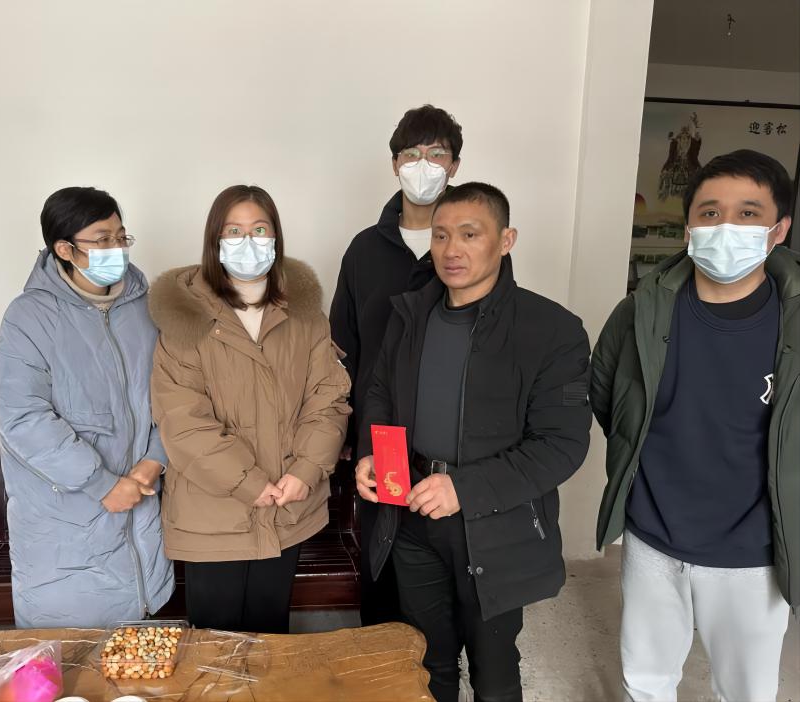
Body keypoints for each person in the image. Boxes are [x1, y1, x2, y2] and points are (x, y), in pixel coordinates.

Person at [355, 182, 592, 702]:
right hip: (412, 515)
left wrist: (463, 489)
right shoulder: (410, 315)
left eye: (469, 234)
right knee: (426, 660)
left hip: (495, 525)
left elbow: (562, 444)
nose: (451, 249)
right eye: (440, 235)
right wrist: (373, 452)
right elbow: (379, 392)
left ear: (506, 240)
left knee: (494, 668)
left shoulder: (551, 330)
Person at [592, 149, 798, 702]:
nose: (725, 226)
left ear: (779, 229)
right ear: (689, 228)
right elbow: (609, 397)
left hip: (753, 551)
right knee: (646, 679)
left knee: (746, 691)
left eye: (748, 213)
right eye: (710, 213)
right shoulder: (640, 312)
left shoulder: (793, 324)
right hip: (653, 537)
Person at [149, 184, 351, 634]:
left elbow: (328, 397)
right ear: (215, 241)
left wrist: (305, 470)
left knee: (270, 643)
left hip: (287, 506)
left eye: (259, 230)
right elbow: (182, 419)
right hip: (213, 514)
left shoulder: (306, 317)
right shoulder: (186, 319)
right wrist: (247, 482)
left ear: (276, 237)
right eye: (234, 231)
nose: (248, 242)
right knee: (214, 651)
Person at [0, 186, 174, 628]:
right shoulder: (29, 317)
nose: (117, 248)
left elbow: (171, 393)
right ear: (64, 249)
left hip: (141, 508)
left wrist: (155, 459)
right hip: (66, 523)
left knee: (140, 649)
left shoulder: (145, 308)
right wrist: (101, 483)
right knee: (70, 651)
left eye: (121, 236)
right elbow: (24, 417)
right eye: (102, 239)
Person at [329, 104, 462, 625]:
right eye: (412, 154)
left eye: (436, 154)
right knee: (382, 560)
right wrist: (347, 430)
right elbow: (343, 347)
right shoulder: (365, 250)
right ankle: (383, 657)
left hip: (450, 433)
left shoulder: (470, 247)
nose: (423, 165)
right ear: (394, 165)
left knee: (445, 562)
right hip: (380, 430)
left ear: (454, 165)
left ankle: (440, 662)